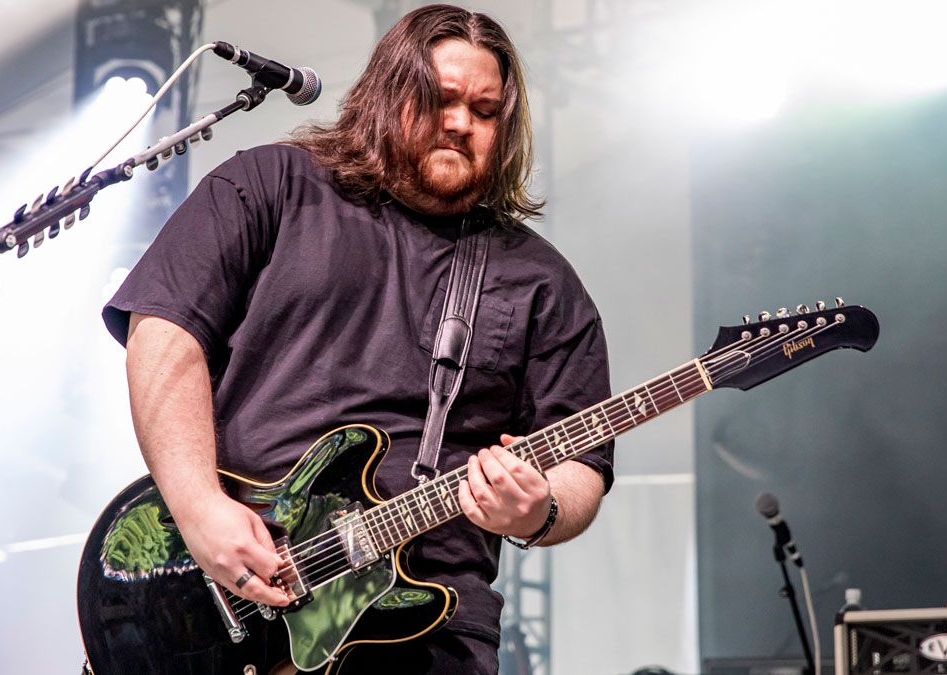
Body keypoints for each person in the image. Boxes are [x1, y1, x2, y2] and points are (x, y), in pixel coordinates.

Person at [102, 4, 614, 672]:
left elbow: (583, 466)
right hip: (236, 589)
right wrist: (200, 510)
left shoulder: (542, 282)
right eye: (442, 100)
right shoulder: (271, 185)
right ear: (389, 93)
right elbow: (163, 328)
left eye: (486, 112)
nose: (462, 123)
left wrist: (538, 509)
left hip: (430, 632)